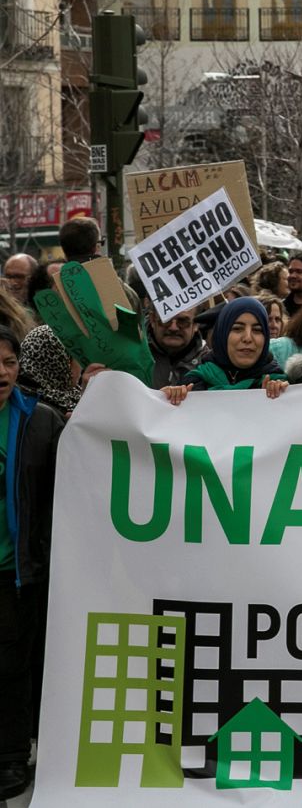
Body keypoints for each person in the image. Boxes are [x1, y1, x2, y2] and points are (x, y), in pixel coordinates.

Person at [0, 324, 65, 801]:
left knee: (13, 669)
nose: (1, 372)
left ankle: (9, 758)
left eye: (7, 361)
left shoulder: (41, 420)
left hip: (16, 572)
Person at [161, 298, 289, 402]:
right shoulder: (193, 383)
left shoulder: (279, 384)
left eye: (257, 330)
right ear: (222, 334)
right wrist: (169, 400)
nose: (248, 338)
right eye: (237, 329)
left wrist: (277, 400)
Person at [17, 325, 81, 416]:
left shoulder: (71, 395)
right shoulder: (43, 412)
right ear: (61, 362)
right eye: (77, 357)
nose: (81, 366)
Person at [146, 305, 210, 388]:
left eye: (182, 321)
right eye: (166, 320)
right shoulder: (134, 359)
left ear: (196, 324)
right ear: (152, 320)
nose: (173, 328)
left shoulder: (210, 364)